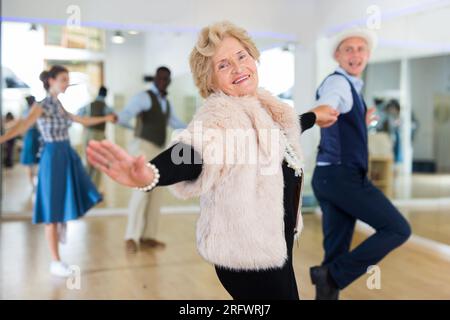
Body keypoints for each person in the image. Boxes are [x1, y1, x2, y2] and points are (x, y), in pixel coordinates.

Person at [87, 21, 338, 299]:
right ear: (210, 80)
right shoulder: (220, 116)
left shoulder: (264, 106)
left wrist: (314, 117)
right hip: (247, 254)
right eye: (223, 65)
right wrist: (152, 173)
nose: (238, 68)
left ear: (253, 56)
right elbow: (195, 150)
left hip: (276, 242)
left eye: (241, 56)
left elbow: (279, 132)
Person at [310, 28, 412, 299]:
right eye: (348, 49)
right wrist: (323, 111)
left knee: (335, 252)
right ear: (337, 55)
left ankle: (329, 277)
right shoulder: (338, 84)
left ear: (367, 55)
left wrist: (360, 124)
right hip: (342, 178)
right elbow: (330, 102)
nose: (355, 54)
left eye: (360, 49)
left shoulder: (353, 87)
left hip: (328, 179)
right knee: (398, 229)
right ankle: (332, 274)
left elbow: (342, 122)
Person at [0, 65, 117, 277]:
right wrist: (2, 138)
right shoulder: (41, 105)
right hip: (52, 158)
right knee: (52, 211)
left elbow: (81, 120)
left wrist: (105, 119)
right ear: (51, 81)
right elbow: (23, 126)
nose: (66, 83)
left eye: (67, 79)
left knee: (70, 201)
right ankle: (55, 261)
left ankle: (57, 257)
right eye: (63, 79)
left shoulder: (59, 105)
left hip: (66, 156)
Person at [116, 66, 186, 253]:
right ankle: (130, 237)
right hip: (143, 148)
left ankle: (148, 236)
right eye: (160, 78)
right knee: (140, 192)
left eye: (166, 78)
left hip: (158, 148)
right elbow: (124, 116)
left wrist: (195, 129)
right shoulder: (143, 97)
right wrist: (132, 130)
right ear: (154, 79)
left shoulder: (166, 103)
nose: (163, 81)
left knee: (156, 193)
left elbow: (176, 123)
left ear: (169, 81)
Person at [77, 86, 114, 188]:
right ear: (106, 94)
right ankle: (94, 189)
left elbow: (78, 114)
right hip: (99, 135)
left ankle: (85, 186)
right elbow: (114, 118)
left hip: (87, 134)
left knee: (88, 160)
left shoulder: (89, 105)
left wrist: (85, 123)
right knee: (99, 161)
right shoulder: (106, 107)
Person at [20, 95, 42, 189]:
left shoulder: (25, 112)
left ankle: (33, 185)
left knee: (30, 162)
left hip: (30, 137)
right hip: (35, 136)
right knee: (36, 161)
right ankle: (35, 184)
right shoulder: (34, 111)